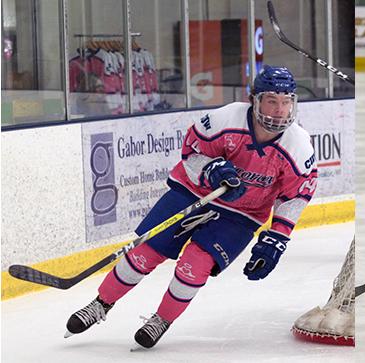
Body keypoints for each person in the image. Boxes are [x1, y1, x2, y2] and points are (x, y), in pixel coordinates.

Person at [65, 65, 318, 348]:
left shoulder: (299, 146)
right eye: (272, 100)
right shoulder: (225, 118)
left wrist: (277, 237)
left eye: (286, 102)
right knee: (144, 253)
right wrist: (211, 170)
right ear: (254, 99)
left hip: (242, 214)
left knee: (194, 265)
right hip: (193, 192)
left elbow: (296, 195)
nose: (279, 110)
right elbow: (191, 153)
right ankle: (101, 304)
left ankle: (162, 319)